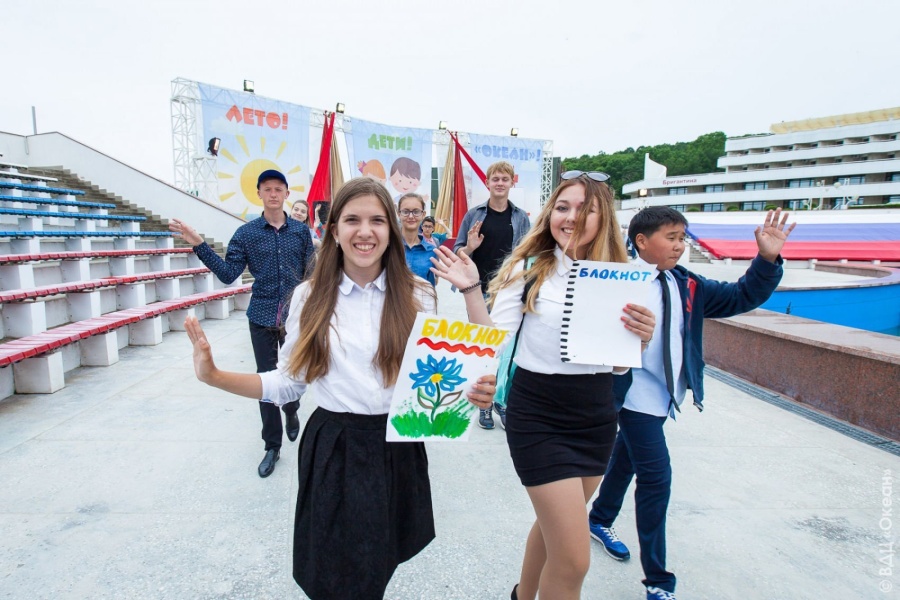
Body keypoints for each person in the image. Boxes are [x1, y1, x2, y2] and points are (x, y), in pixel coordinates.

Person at [182, 177, 498, 599]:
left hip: (397, 446)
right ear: (333, 230)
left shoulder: (419, 295)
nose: (365, 231)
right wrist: (214, 375)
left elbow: (456, 370)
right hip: (334, 446)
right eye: (352, 220)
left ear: (391, 230)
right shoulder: (309, 296)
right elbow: (287, 383)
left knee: (376, 565)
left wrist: (477, 385)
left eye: (377, 220)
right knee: (333, 573)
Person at [432, 171, 656, 600]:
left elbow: (616, 369)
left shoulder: (623, 278)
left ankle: (522, 595)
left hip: (596, 417)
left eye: (585, 210)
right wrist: (472, 289)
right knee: (573, 560)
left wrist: (640, 340)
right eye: (562, 207)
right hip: (538, 417)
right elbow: (492, 341)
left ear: (604, 218)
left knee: (555, 527)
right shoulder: (528, 268)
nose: (570, 217)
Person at [587, 206, 795, 600]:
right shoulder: (618, 280)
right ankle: (659, 581)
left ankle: (598, 518)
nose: (680, 246)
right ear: (641, 241)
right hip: (631, 395)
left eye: (683, 238)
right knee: (656, 478)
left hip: (663, 395)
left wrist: (766, 259)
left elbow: (740, 296)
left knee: (627, 458)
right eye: (671, 238)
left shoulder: (685, 283)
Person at [168, 169, 315, 478]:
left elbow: (311, 274)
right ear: (259, 193)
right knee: (265, 380)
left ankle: (291, 408)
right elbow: (227, 274)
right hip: (261, 316)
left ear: (287, 194)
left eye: (278, 189)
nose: (273, 194)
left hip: (295, 317)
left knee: (294, 374)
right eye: (267, 189)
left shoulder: (301, 233)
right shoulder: (246, 234)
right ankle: (272, 446)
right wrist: (199, 244)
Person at [453, 160, 531, 430]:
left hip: (509, 290)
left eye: (504, 179)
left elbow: (528, 253)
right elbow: (458, 252)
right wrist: (470, 247)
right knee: (483, 349)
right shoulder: (474, 215)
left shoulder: (521, 217)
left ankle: (502, 401)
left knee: (507, 351)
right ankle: (484, 405)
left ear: (512, 183)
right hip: (479, 291)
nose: (499, 183)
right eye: (495, 179)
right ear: (487, 183)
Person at [397, 192, 437, 286]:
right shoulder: (388, 247)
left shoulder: (431, 251)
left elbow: (430, 286)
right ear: (399, 214)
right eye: (405, 212)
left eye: (416, 211)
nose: (411, 216)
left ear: (423, 214)